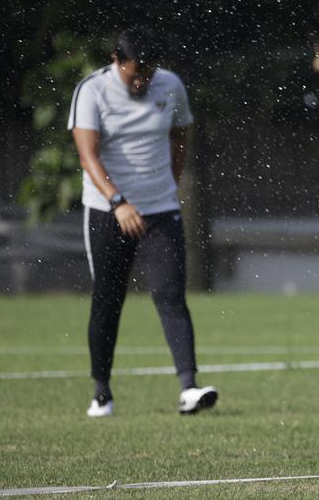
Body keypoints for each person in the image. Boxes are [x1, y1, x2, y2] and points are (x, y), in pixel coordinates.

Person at [68, 29, 218, 417]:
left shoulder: (170, 85)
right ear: (117, 60)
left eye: (148, 74)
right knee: (108, 300)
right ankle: (102, 391)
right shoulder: (92, 91)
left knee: (170, 297)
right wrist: (119, 202)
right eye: (135, 73)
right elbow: (88, 156)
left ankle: (189, 388)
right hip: (107, 210)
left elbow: (180, 136)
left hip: (160, 210)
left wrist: (166, 186)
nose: (142, 82)